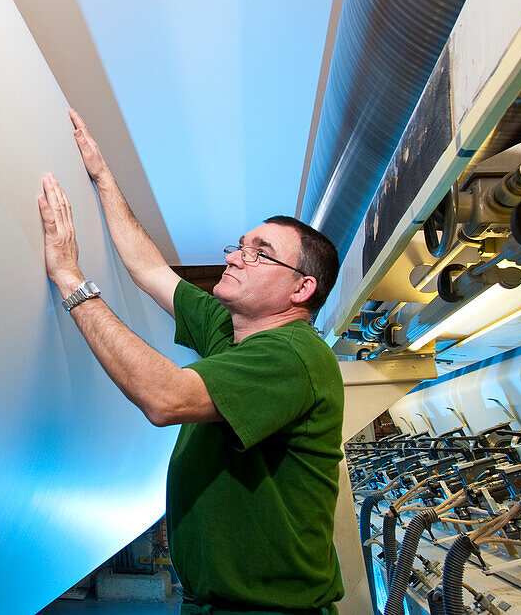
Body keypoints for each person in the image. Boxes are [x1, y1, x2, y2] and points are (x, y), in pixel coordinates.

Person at [37, 109, 345, 614]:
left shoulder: (293, 355)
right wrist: (102, 176)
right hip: (209, 605)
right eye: (239, 246)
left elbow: (166, 397)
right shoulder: (231, 332)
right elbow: (149, 267)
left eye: (259, 253)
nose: (233, 257)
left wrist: (71, 278)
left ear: (301, 288)